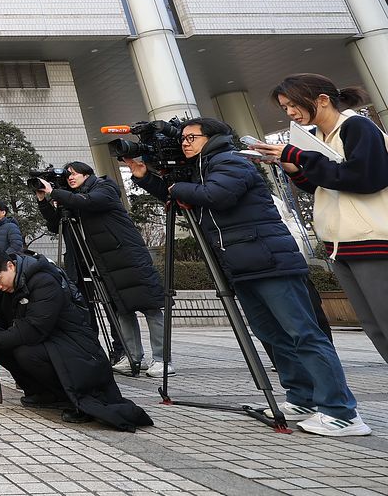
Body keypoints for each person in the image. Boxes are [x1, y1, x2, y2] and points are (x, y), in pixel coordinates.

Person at [128, 115, 371, 437]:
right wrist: (146, 178)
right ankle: (302, 397)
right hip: (241, 266)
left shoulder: (230, 162)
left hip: (270, 262)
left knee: (304, 335)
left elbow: (216, 196)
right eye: (183, 138)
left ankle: (341, 412)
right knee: (273, 336)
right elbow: (187, 200)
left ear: (212, 138)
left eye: (191, 138)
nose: (184, 143)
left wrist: (177, 185)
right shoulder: (202, 169)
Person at [255, 73, 388, 364]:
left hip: (373, 240)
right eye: (284, 107)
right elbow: (322, 184)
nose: (290, 113)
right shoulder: (315, 137)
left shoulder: (357, 127)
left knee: (384, 322)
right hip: (341, 244)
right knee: (374, 326)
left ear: (323, 100)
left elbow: (366, 178)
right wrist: (292, 165)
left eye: (293, 105)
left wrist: (298, 154)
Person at [0, 247, 153, 432]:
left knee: (24, 352)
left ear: (10, 265)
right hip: (52, 341)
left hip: (76, 347)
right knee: (0, 347)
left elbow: (34, 329)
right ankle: (43, 393)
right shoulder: (8, 287)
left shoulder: (43, 280)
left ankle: (70, 396)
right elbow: (7, 323)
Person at [36, 162, 168, 378]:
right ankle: (133, 357)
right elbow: (56, 224)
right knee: (122, 310)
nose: (70, 178)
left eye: (74, 173)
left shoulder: (104, 188)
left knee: (150, 307)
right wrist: (44, 199)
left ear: (87, 173)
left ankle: (162, 360)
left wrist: (54, 192)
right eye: (67, 175)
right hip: (103, 263)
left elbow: (91, 202)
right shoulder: (75, 198)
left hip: (127, 257)